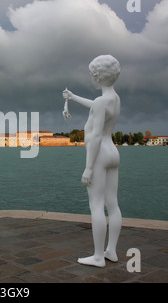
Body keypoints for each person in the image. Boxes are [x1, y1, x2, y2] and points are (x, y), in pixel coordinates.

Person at [63, 55, 122, 267]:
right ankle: (111, 251)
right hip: (113, 152)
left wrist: (88, 168)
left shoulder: (100, 102)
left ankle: (98, 257)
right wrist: (73, 97)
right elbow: (95, 106)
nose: (91, 77)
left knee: (96, 205)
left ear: (98, 76)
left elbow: (95, 136)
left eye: (92, 74)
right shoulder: (114, 99)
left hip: (99, 154)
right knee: (112, 205)